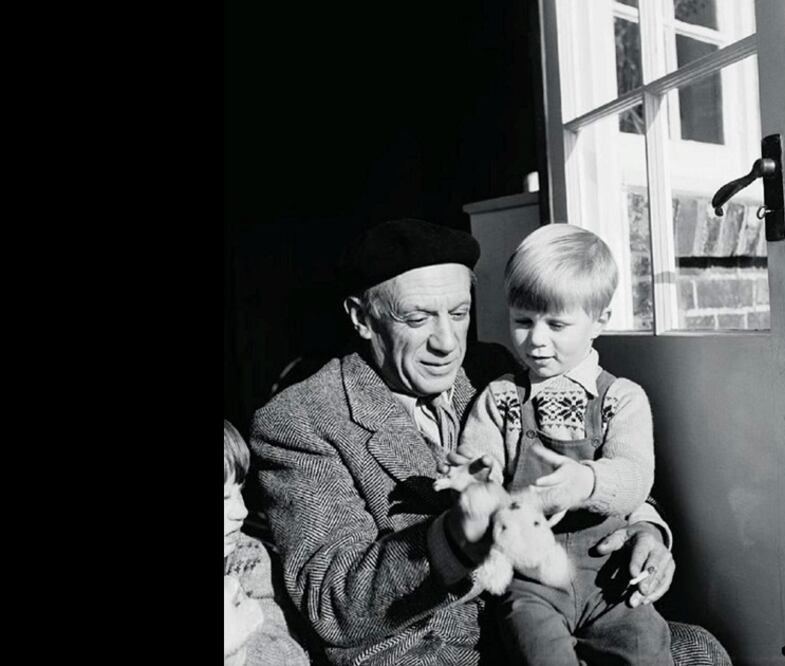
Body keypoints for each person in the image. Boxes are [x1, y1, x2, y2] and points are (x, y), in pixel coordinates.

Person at [249, 218, 729, 665]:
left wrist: (646, 529)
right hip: (435, 648)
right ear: (362, 318)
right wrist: (454, 538)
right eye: (417, 319)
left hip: (562, 608)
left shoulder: (492, 369)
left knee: (699, 649)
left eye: (459, 313)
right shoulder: (300, 419)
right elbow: (332, 603)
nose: (447, 343)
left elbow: (595, 457)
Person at [446, 224, 672, 665]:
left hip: (609, 578)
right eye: (523, 321)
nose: (536, 339)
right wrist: (476, 478)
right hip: (531, 578)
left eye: (556, 324)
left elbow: (634, 476)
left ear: (599, 320)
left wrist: (586, 482)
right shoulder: (500, 397)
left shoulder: (621, 398)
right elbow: (479, 463)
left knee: (647, 647)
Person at [224, 419, 310, 665]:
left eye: (239, 490)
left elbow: (289, 655)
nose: (241, 511)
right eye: (224, 497)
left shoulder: (245, 558)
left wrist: (238, 654)